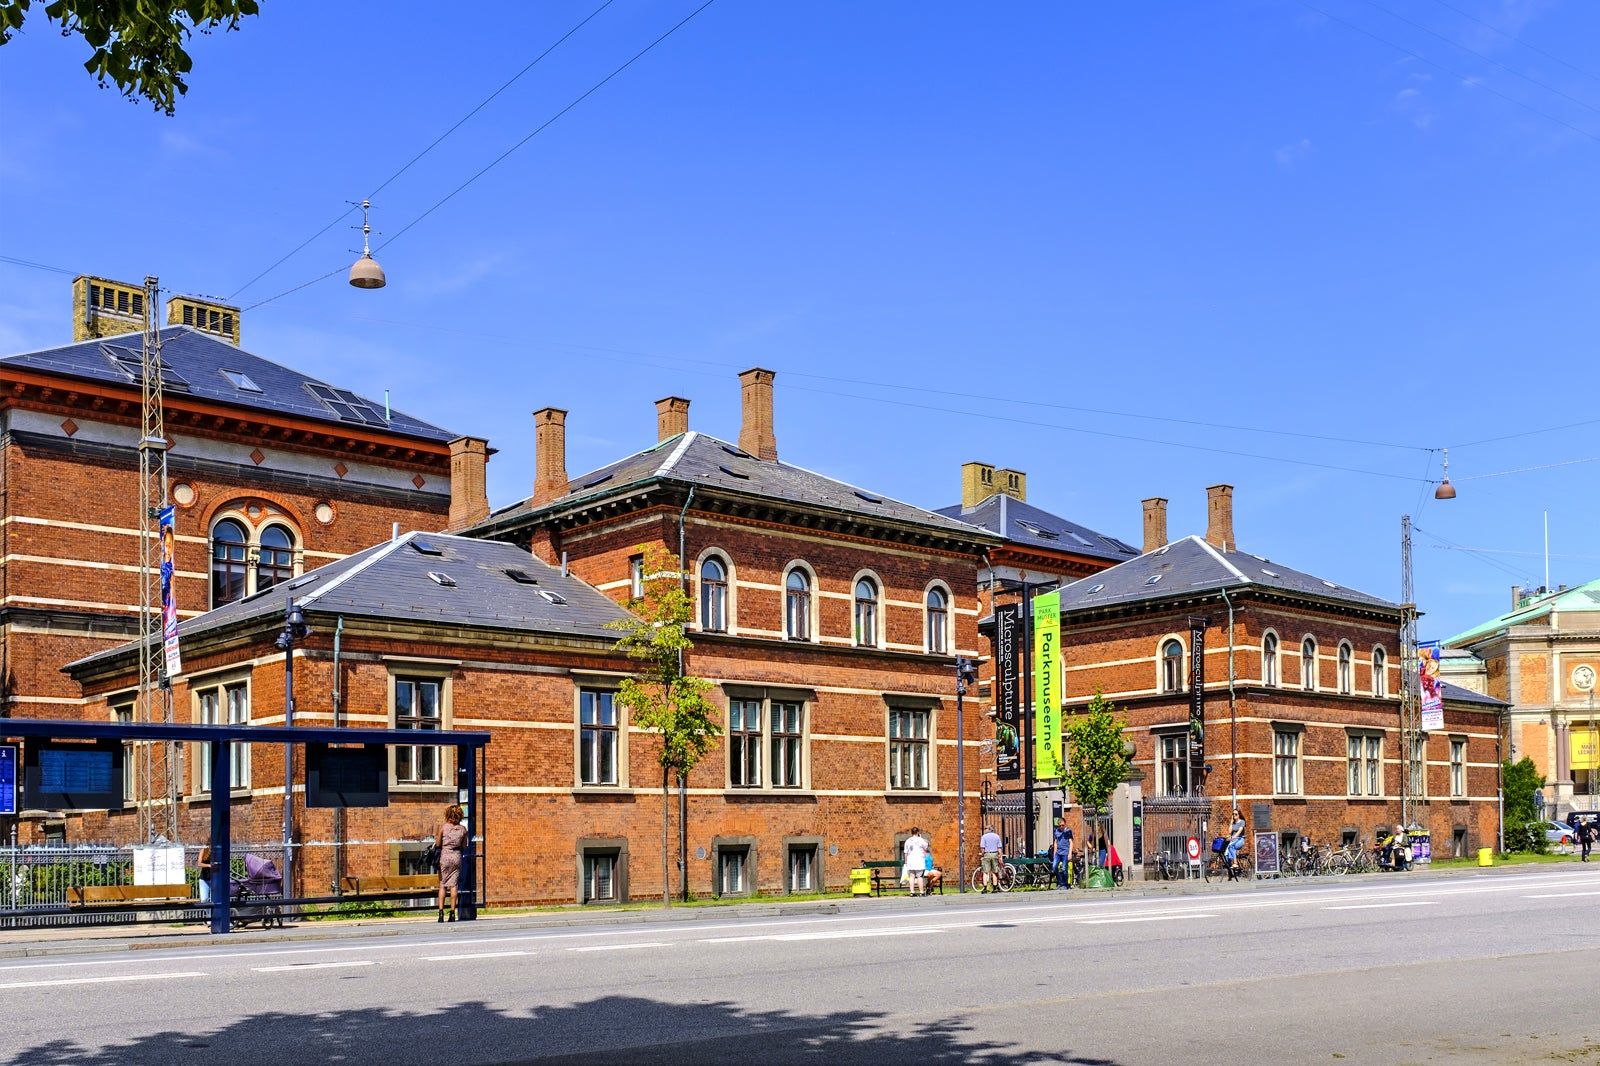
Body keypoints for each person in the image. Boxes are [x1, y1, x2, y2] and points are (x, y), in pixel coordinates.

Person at [436, 804, 468, 922]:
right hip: (456, 857)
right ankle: (452, 914)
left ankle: (440, 914)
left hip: (445, 856)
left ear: (448, 815)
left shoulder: (444, 828)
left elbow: (438, 844)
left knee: (443, 885)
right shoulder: (463, 829)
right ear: (460, 815)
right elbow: (464, 846)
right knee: (454, 885)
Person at [902, 827, 930, 897]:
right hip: (919, 860)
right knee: (919, 876)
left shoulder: (908, 841)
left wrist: (906, 862)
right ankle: (921, 892)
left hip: (910, 860)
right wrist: (921, 837)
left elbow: (905, 852)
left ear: (911, 833)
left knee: (912, 876)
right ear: (918, 832)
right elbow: (926, 847)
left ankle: (912, 892)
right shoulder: (921, 840)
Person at [978, 824, 1005, 893]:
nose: (985, 830)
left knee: (985, 872)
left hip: (987, 854)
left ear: (989, 829)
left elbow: (982, 848)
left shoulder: (984, 837)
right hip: (995, 854)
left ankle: (985, 889)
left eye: (985, 828)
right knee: (994, 872)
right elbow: (999, 848)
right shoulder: (997, 836)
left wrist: (982, 855)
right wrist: (1000, 856)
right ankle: (995, 888)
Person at [1050, 818, 1075, 889]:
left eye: (1063, 825)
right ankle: (1060, 882)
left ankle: (1065, 884)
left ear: (1065, 824)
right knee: (1054, 867)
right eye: (1060, 825)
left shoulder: (1068, 831)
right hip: (1058, 853)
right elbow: (1055, 843)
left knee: (1064, 869)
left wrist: (1070, 853)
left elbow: (1071, 843)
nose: (1061, 827)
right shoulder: (1056, 832)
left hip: (1065, 853)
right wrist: (1054, 853)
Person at [1225, 808, 1247, 881]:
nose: (1234, 815)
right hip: (1233, 840)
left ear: (1239, 815)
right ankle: (1231, 873)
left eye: (1236, 814)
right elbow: (1229, 831)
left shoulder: (1242, 822)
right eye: (1233, 814)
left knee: (1232, 847)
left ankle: (1235, 863)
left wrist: (1233, 837)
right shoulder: (1233, 823)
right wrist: (1231, 822)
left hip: (1240, 839)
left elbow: (1240, 831)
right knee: (1226, 855)